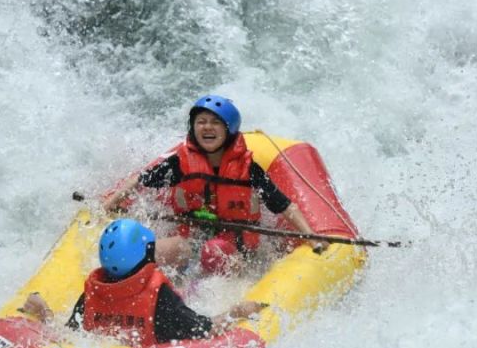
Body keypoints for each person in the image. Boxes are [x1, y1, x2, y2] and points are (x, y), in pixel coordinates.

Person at [100, 94, 326, 274]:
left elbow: (286, 206)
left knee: (214, 252)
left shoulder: (249, 170)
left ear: (229, 130)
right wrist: (110, 204)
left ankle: (225, 288)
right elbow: (140, 181)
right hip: (192, 237)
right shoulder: (180, 163)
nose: (207, 128)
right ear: (193, 128)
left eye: (215, 123)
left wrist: (311, 236)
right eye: (201, 122)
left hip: (234, 244)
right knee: (159, 250)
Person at [19, 219, 267, 348]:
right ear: (146, 254)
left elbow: (71, 336)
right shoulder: (160, 298)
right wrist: (237, 311)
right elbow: (204, 330)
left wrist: (45, 314)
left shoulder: (93, 290)